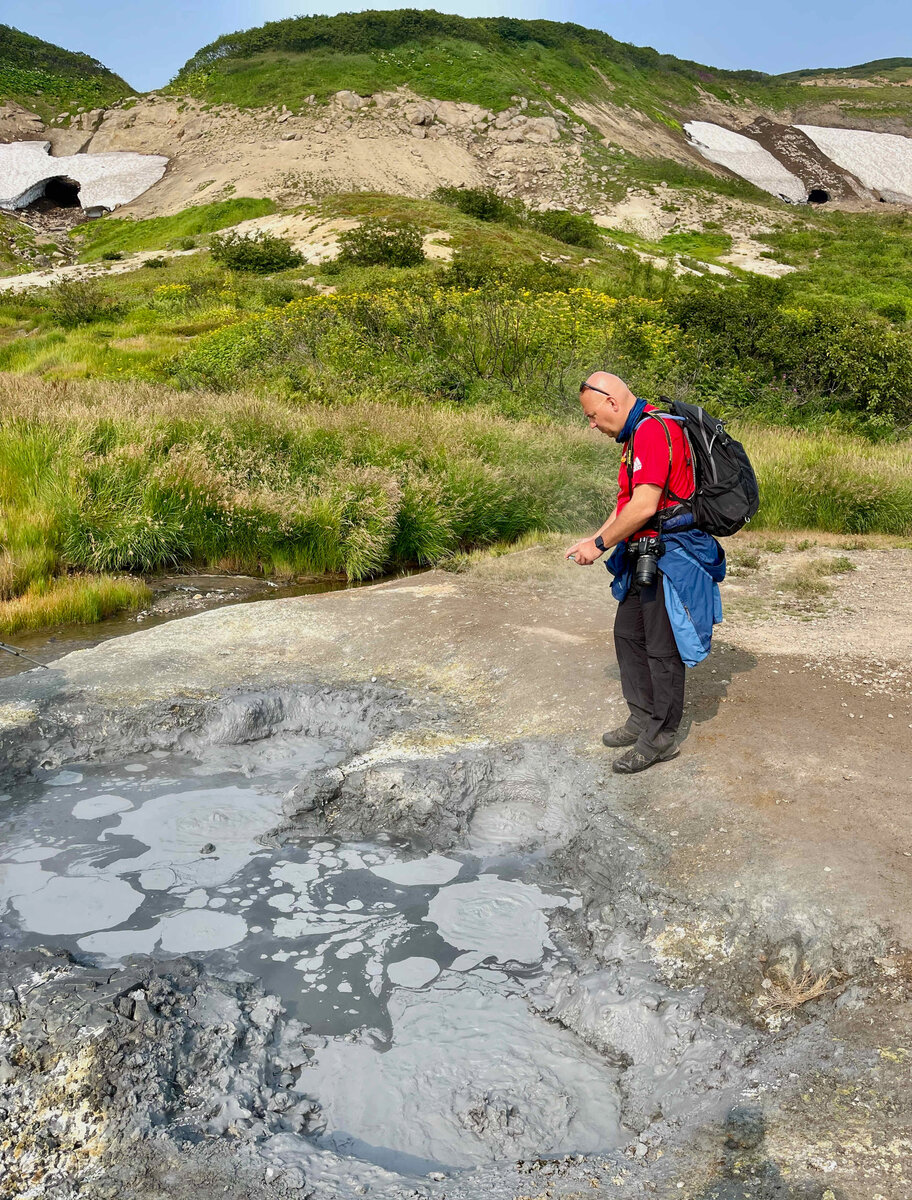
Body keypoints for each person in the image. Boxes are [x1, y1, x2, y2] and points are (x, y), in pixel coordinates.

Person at [565, 372, 726, 774]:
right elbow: (626, 504)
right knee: (628, 635)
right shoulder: (637, 434)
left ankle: (660, 738)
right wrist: (594, 538)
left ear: (612, 404)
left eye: (592, 416)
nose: (592, 425)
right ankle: (641, 718)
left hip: (671, 556)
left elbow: (644, 507)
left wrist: (600, 546)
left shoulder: (653, 431)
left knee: (661, 648)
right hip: (645, 553)